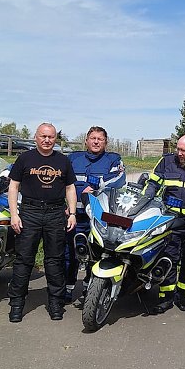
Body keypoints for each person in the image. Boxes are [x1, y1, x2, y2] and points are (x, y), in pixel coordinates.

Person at [7, 123, 77, 323]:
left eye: (51, 137)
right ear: (36, 137)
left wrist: (71, 213)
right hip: (30, 212)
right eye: (43, 136)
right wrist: (14, 214)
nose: (47, 140)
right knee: (23, 260)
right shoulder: (25, 159)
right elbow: (13, 187)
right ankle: (17, 304)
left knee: (54, 261)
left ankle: (56, 303)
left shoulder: (63, 161)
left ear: (55, 139)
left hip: (56, 213)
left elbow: (70, 188)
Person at [142, 134, 185, 314]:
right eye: (177, 149)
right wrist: (143, 203)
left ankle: (184, 295)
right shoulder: (166, 162)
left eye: (184, 150)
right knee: (168, 258)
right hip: (170, 221)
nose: (179, 153)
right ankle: (166, 297)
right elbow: (152, 184)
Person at [64, 126, 125, 308]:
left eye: (100, 139)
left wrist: (97, 184)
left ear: (106, 142)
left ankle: (88, 290)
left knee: (95, 254)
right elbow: (62, 181)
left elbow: (119, 179)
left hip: (98, 218)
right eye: (92, 138)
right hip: (73, 215)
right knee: (70, 253)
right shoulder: (73, 158)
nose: (96, 141)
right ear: (86, 140)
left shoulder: (113, 159)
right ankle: (66, 289)